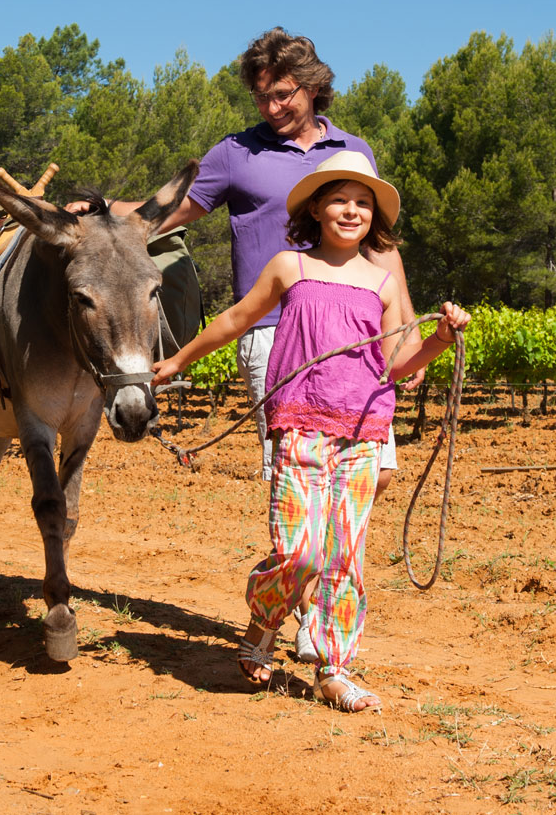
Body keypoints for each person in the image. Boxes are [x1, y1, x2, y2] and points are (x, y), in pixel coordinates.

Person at [151, 151, 470, 713]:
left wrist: (442, 338)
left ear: (376, 217)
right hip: (299, 423)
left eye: (363, 203)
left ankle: (334, 668)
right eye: (340, 200)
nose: (352, 211)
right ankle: (265, 622)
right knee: (299, 552)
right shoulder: (288, 267)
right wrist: (179, 361)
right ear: (317, 209)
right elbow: (235, 319)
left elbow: (396, 363)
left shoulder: (381, 281)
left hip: (364, 429)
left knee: (343, 554)